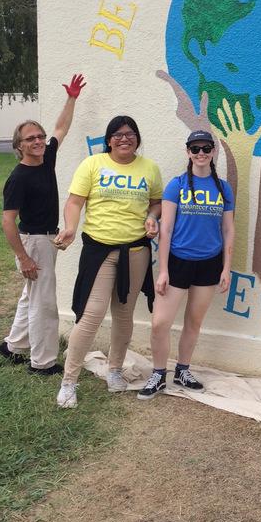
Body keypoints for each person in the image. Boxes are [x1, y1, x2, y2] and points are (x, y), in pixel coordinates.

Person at [55, 115, 162, 408]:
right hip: (99, 250)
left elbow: (156, 201)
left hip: (136, 251)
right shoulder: (93, 165)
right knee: (91, 315)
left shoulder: (149, 168)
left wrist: (153, 217)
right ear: (109, 139)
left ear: (137, 138)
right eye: (117, 134)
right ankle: (68, 382)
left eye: (129, 134)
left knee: (124, 314)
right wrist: (70, 227)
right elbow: (75, 201)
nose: (124, 138)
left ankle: (115, 371)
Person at [138, 130, 234, 400]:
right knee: (160, 322)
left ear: (214, 152)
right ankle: (158, 374)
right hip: (179, 261)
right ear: (188, 152)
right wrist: (164, 270)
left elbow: (228, 229)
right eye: (195, 148)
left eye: (206, 148)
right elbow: (165, 230)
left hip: (209, 263)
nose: (201, 153)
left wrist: (226, 268)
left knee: (194, 321)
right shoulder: (176, 185)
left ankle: (182, 370)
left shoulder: (223, 188)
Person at [0, 74, 86, 375]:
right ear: (19, 146)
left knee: (31, 295)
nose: (38, 141)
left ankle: (13, 346)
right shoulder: (18, 178)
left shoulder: (46, 157)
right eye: (30, 139)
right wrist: (23, 257)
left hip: (47, 239)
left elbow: (61, 127)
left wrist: (71, 98)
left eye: (39, 137)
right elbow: (8, 221)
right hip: (33, 243)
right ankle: (43, 362)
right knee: (44, 303)